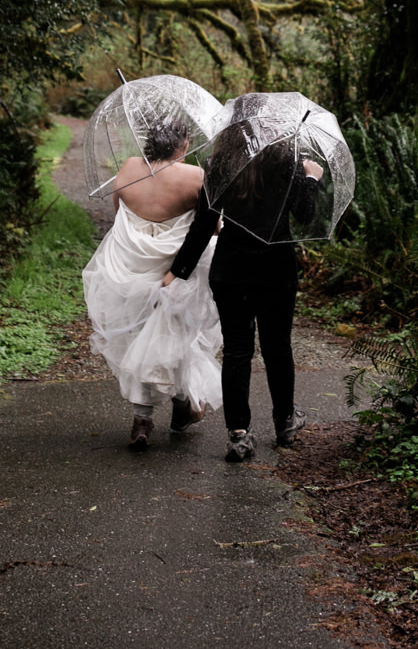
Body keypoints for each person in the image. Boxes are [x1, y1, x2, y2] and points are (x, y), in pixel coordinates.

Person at [163, 110, 324, 462]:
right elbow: (305, 214)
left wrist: (179, 270)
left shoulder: (219, 164)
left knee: (237, 350)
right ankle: (284, 423)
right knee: (277, 347)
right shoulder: (287, 159)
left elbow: (204, 225)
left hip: (230, 269)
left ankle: (238, 435)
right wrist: (311, 178)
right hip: (275, 268)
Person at [80, 119, 221, 451]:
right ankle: (184, 404)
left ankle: (142, 420)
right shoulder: (196, 177)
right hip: (172, 272)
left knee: (138, 339)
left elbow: (120, 217)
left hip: (129, 270)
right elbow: (211, 227)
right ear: (182, 145)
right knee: (177, 337)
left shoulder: (128, 169)